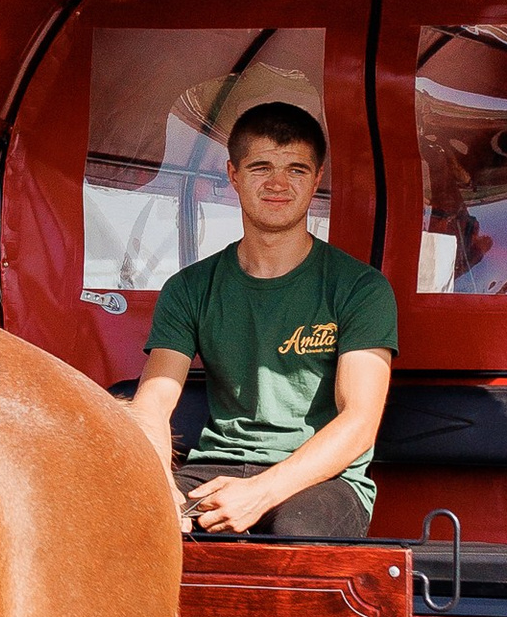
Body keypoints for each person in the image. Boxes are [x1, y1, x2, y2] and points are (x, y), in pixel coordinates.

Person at [128, 101, 397, 538]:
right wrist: (161, 488)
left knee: (297, 530)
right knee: (124, 518)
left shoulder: (360, 288)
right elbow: (153, 404)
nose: (278, 183)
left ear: (317, 179)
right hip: (215, 467)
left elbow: (360, 421)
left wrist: (262, 492)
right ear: (233, 175)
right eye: (261, 167)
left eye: (296, 169)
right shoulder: (190, 288)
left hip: (323, 481)